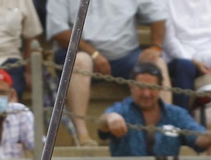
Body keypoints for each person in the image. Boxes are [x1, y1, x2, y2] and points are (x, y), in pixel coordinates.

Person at [99, 60, 211, 160]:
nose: (146, 93)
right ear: (132, 86)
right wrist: (111, 118)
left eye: (152, 88)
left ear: (160, 87)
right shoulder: (120, 109)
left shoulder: (176, 114)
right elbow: (102, 124)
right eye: (141, 87)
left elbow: (199, 138)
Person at [47, 0, 169, 146]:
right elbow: (59, 32)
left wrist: (155, 47)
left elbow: (157, 14)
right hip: (81, 52)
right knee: (80, 61)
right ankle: (82, 134)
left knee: (158, 64)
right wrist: (94, 54)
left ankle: (164, 132)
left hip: (126, 55)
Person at [162, 0, 211, 110]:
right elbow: (169, 42)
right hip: (182, 56)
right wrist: (194, 61)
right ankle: (182, 118)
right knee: (185, 67)